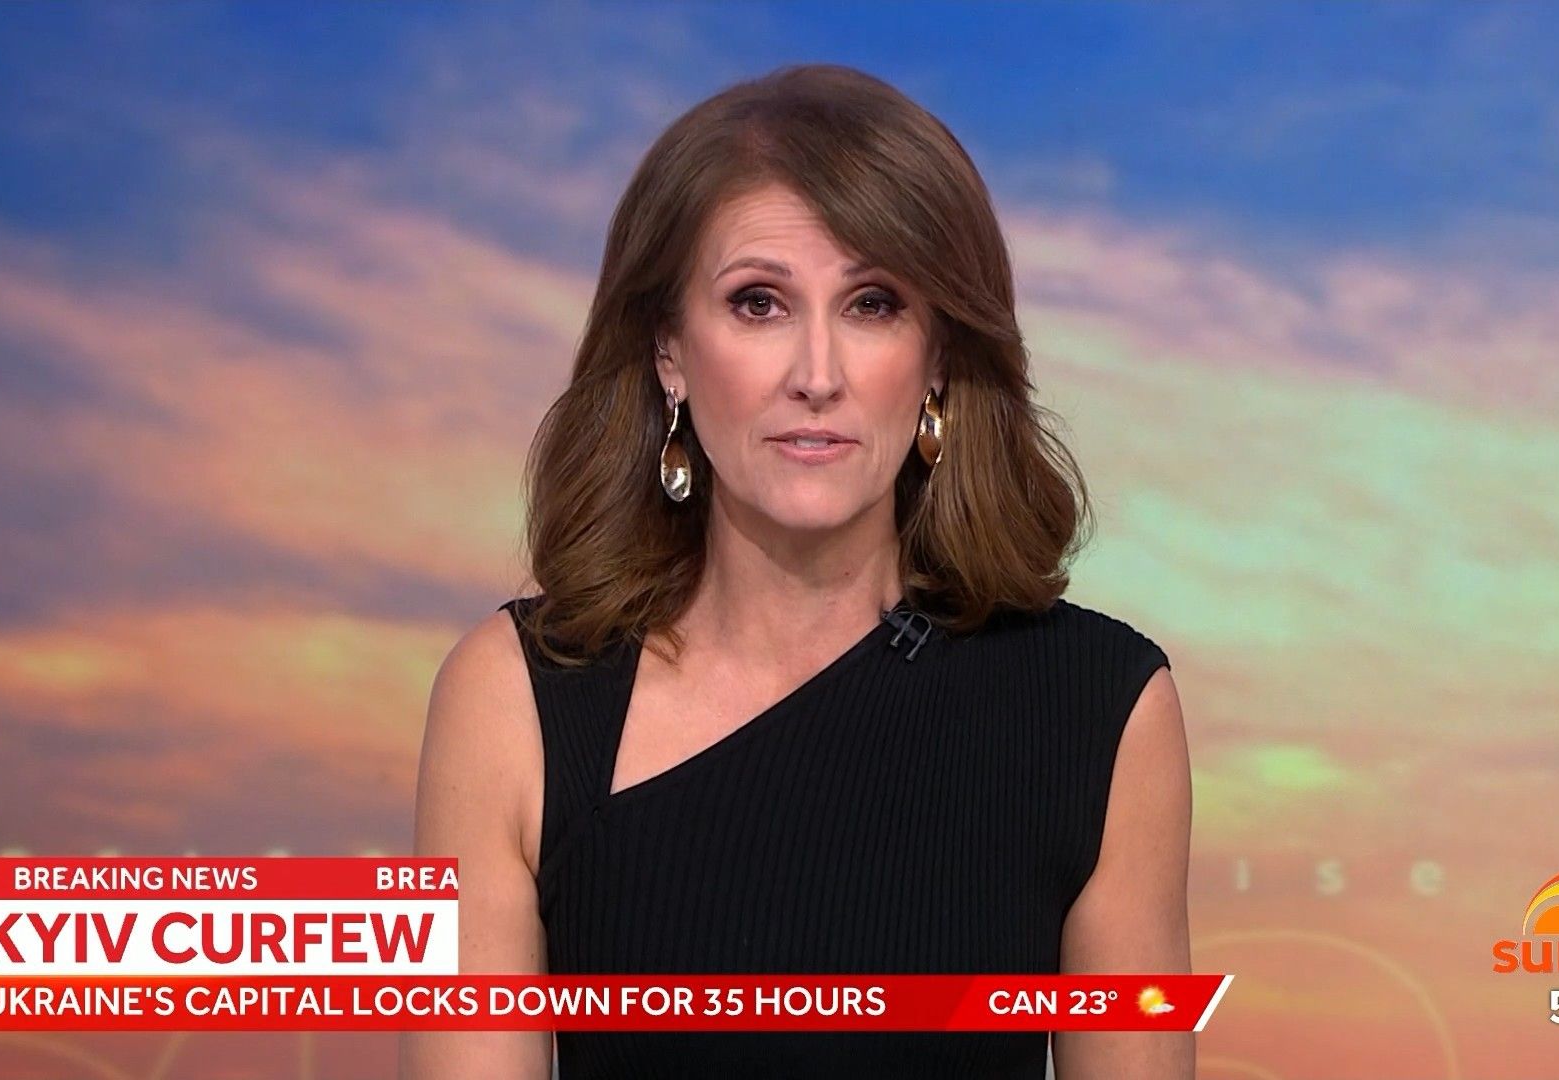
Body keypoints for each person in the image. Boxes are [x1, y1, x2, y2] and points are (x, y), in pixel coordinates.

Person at [404, 62, 1191, 1080]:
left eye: (872, 304)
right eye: (759, 304)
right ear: (670, 351)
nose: (817, 376)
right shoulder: (515, 699)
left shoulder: (1101, 709)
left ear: (939, 356)